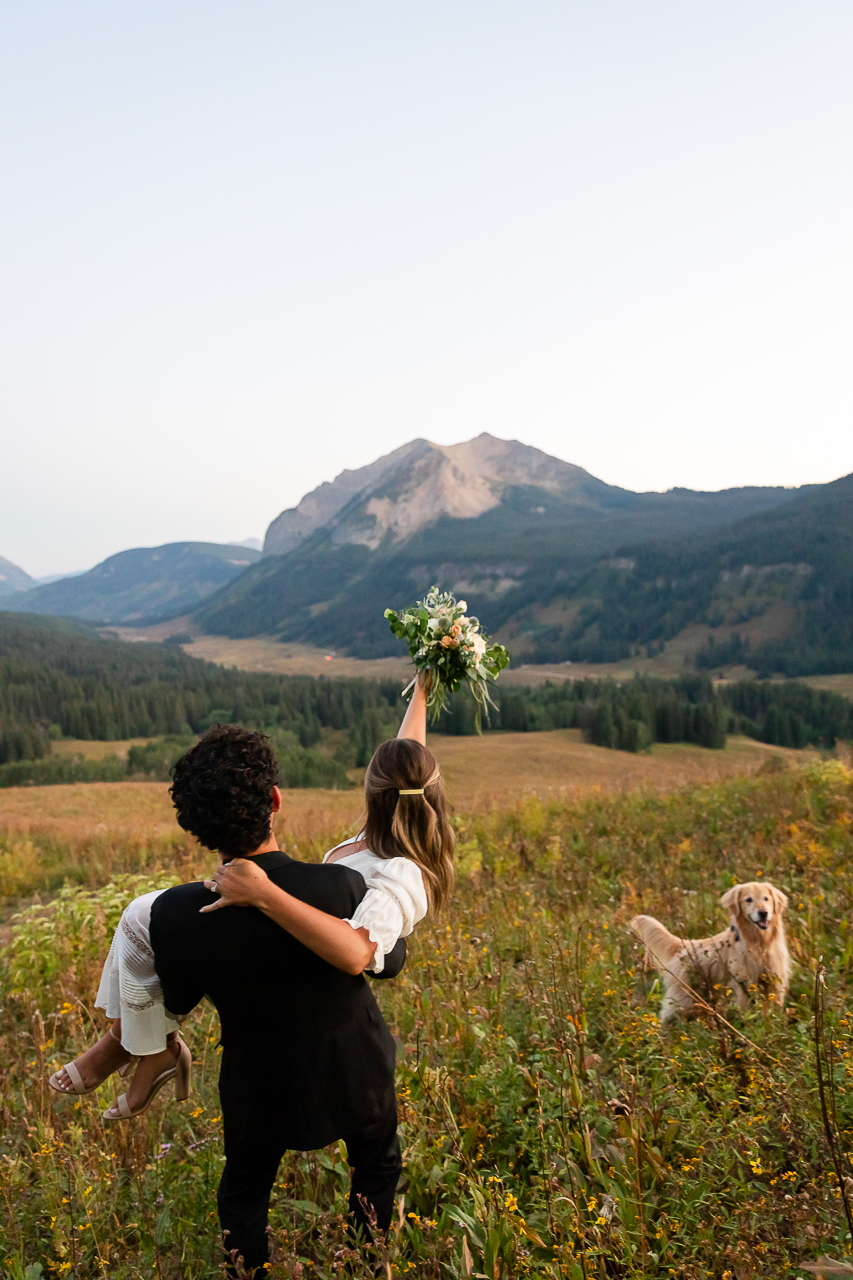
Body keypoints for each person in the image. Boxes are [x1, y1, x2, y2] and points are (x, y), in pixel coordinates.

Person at [49, 679, 454, 1274]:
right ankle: (368, 1260)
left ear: (197, 829)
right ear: (276, 799)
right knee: (376, 1161)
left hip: (257, 1082)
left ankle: (248, 1266)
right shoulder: (341, 887)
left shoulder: (174, 914)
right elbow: (381, 950)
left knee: (243, 1189)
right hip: (353, 1068)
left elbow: (180, 992)